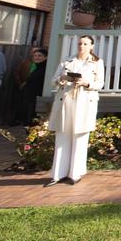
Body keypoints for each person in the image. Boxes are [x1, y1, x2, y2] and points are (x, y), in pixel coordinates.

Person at [45, 36, 104, 187]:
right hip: (66, 100)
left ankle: (74, 173)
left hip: (84, 100)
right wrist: (62, 79)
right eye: (80, 43)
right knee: (62, 135)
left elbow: (100, 83)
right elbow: (54, 80)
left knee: (80, 136)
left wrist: (86, 83)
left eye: (85, 44)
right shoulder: (68, 61)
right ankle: (58, 174)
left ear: (91, 46)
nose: (81, 46)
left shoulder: (97, 62)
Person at [21, 48, 48, 125]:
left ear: (45, 57)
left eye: (40, 55)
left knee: (34, 122)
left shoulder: (45, 70)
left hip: (36, 99)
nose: (37, 57)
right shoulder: (36, 68)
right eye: (35, 56)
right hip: (29, 98)